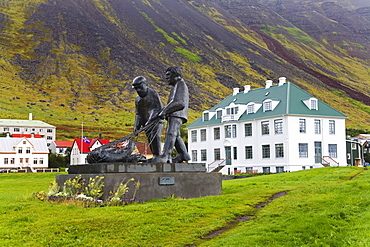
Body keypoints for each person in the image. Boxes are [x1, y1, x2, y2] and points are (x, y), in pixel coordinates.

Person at [153, 66, 191, 163]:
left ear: (175, 75)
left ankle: (166, 155)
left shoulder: (181, 85)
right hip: (174, 114)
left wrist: (165, 111)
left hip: (177, 114)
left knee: (171, 133)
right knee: (176, 135)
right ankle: (183, 155)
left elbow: (180, 102)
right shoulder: (177, 86)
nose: (166, 78)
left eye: (168, 75)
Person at [132, 76, 164, 160]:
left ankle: (158, 155)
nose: (138, 90)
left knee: (155, 136)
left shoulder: (153, 93)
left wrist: (150, 120)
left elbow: (157, 109)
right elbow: (138, 114)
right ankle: (155, 156)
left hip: (156, 121)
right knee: (150, 139)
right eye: (136, 88)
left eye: (140, 87)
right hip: (146, 124)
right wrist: (136, 126)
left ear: (144, 84)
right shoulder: (138, 99)